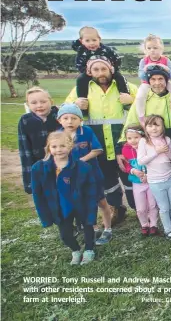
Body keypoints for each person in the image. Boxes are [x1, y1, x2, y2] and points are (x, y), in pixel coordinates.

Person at [117, 66, 171, 230]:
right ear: (148, 81)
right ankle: (160, 218)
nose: (157, 83)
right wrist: (120, 148)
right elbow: (130, 123)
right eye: (153, 79)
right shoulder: (143, 97)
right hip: (152, 142)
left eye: (161, 79)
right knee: (157, 181)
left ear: (167, 80)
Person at [66, 56, 138, 226]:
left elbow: (144, 103)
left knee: (131, 177)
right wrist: (76, 104)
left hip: (124, 143)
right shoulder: (81, 90)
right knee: (108, 181)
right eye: (96, 70)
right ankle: (116, 209)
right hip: (98, 145)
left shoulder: (126, 87)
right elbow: (65, 112)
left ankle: (140, 209)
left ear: (110, 69)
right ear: (90, 71)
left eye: (103, 69)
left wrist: (132, 100)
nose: (100, 73)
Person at [30, 131, 99, 265]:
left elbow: (91, 190)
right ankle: (76, 250)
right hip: (60, 206)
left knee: (88, 227)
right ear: (48, 148)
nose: (59, 150)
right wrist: (45, 216)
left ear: (71, 146)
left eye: (62, 146)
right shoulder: (38, 168)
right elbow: (37, 193)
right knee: (65, 235)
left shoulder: (83, 167)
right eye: (54, 147)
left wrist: (91, 208)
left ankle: (89, 249)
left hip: (81, 204)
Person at [55, 103, 114, 246]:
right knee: (83, 203)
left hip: (92, 175)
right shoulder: (58, 135)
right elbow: (54, 153)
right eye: (66, 118)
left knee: (101, 202)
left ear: (80, 120)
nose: (70, 121)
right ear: (59, 120)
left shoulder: (86, 132)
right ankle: (92, 229)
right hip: (72, 178)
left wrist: (80, 161)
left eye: (74, 118)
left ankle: (108, 229)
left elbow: (97, 150)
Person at [137, 115, 171, 240]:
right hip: (155, 181)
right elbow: (141, 161)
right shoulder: (143, 142)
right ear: (145, 128)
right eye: (150, 125)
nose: (154, 128)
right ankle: (168, 230)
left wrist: (167, 151)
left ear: (162, 127)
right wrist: (156, 152)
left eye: (157, 125)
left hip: (170, 177)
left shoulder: (167, 140)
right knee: (164, 207)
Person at [71, 26, 130, 116]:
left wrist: (114, 68)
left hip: (111, 70)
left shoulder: (106, 49)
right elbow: (79, 63)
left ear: (99, 39)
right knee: (81, 79)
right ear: (81, 41)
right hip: (88, 73)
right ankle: (83, 105)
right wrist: (85, 71)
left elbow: (117, 59)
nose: (91, 43)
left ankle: (125, 97)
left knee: (119, 77)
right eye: (87, 41)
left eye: (94, 40)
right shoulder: (81, 50)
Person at [19, 86, 60, 195]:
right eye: (34, 103)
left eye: (43, 101)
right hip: (40, 165)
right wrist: (29, 180)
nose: (39, 105)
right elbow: (25, 150)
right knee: (47, 196)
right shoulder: (25, 121)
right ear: (28, 105)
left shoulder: (61, 116)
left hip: (62, 163)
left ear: (51, 101)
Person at [134, 34, 171, 125]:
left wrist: (166, 69)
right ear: (145, 50)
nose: (152, 50)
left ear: (161, 49)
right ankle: (141, 116)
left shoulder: (166, 60)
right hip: (147, 83)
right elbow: (141, 75)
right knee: (140, 96)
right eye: (149, 48)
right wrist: (145, 69)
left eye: (155, 48)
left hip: (164, 82)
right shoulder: (144, 61)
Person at [120, 126, 159, 237]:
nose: (133, 140)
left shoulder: (148, 147)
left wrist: (147, 175)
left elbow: (153, 163)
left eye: (136, 137)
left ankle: (153, 225)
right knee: (141, 207)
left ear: (142, 137)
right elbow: (127, 166)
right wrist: (133, 171)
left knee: (152, 204)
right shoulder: (126, 149)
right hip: (137, 183)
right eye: (129, 138)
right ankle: (144, 224)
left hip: (150, 181)